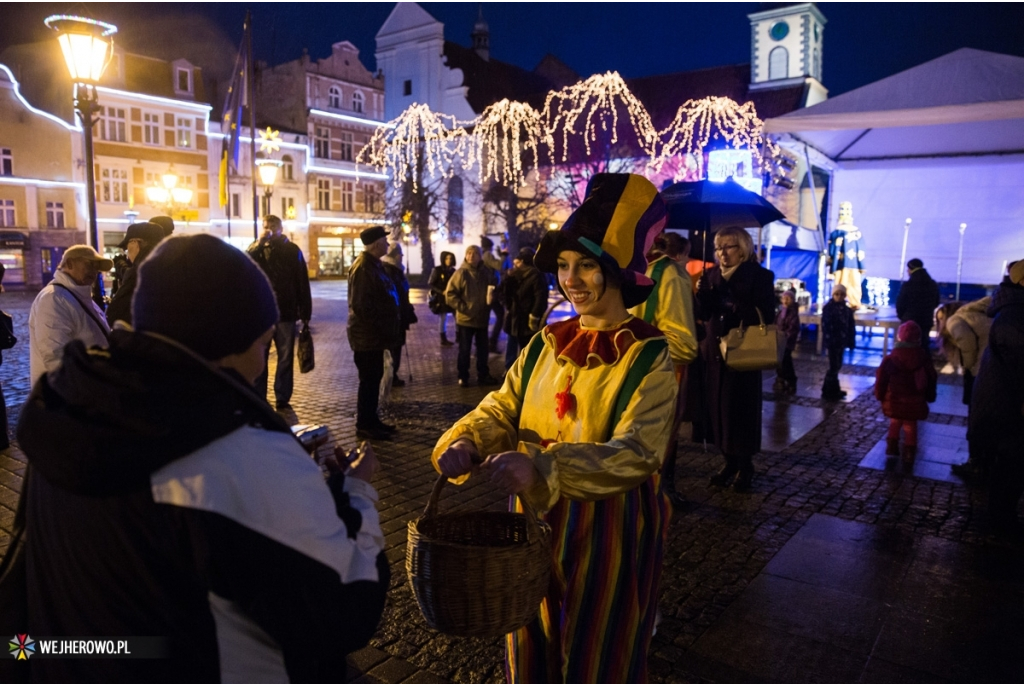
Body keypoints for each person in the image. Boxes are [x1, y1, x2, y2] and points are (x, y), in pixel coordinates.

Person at [13, 234, 388, 682]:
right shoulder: (237, 454)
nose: (265, 353)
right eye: (264, 337)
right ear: (235, 336)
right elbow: (344, 609)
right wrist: (358, 493)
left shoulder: (69, 414)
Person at [432, 173, 676, 683]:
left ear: (616, 270)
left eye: (587, 265)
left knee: (598, 653)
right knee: (528, 641)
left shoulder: (649, 353)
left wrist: (543, 465)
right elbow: (504, 405)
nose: (572, 279)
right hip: (530, 521)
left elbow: (637, 452)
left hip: (608, 523)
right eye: (564, 266)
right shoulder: (547, 340)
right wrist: (466, 439)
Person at [694, 226, 776, 492]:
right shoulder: (712, 275)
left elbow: (765, 314)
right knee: (717, 409)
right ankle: (728, 460)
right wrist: (702, 295)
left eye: (728, 247)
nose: (722, 253)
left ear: (742, 248)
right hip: (715, 353)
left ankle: (745, 465)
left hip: (743, 353)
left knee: (739, 411)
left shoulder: (759, 276)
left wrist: (731, 303)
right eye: (718, 248)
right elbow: (706, 314)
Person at [629, 230, 698, 507]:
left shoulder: (666, 273)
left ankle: (659, 489)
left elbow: (683, 344)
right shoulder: (624, 268)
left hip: (657, 374)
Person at [969, 259, 1024, 532]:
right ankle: (1001, 521)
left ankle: (1001, 518)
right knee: (1010, 466)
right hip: (1007, 406)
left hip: (1002, 403)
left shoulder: (1010, 311)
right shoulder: (1014, 316)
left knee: (1009, 465)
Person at [247, 214, 313, 410]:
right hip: (263, 313)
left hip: (286, 312)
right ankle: (259, 395)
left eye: (272, 226)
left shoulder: (292, 250)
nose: (268, 229)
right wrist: (259, 244)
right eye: (265, 225)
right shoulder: (257, 249)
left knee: (285, 357)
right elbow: (246, 262)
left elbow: (302, 281)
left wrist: (305, 311)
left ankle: (282, 396)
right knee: (261, 355)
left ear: (280, 229)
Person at [28, 245, 112, 385]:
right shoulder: (54, 298)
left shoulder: (79, 296)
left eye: (97, 266)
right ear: (69, 264)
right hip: (69, 397)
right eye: (89, 264)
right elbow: (56, 355)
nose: (95, 271)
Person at [348, 226, 401, 440]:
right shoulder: (363, 268)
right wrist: (381, 325)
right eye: (385, 241)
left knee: (373, 378)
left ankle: (371, 420)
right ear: (377, 244)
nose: (388, 245)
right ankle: (365, 424)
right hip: (367, 337)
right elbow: (361, 306)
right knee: (369, 380)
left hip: (373, 336)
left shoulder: (373, 265)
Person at [937, 298, 992, 479]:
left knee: (976, 414)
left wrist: (968, 367)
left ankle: (976, 462)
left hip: (980, 370)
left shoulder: (955, 320)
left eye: (939, 318)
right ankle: (984, 459)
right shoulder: (973, 315)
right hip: (990, 366)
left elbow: (967, 344)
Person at [874, 321, 937, 460]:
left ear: (899, 338)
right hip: (915, 400)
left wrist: (880, 394)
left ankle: (892, 446)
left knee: (895, 422)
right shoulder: (923, 358)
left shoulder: (891, 359)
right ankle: (909, 452)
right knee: (911, 425)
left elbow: (881, 378)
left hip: (894, 399)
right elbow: (932, 377)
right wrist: (930, 396)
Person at [446, 244, 500, 387]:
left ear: (480, 256)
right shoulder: (461, 273)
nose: (471, 256)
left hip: (482, 318)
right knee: (465, 349)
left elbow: (494, 286)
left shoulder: (486, 273)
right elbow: (450, 294)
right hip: (466, 320)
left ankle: (483, 374)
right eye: (468, 253)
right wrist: (464, 308)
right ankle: (463, 376)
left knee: (483, 350)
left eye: (474, 253)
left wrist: (493, 294)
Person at [496, 246, 549, 371]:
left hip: (527, 319)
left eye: (519, 262)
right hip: (514, 317)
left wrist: (534, 315)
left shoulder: (535, 275)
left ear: (525, 262)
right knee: (511, 345)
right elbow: (503, 292)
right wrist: (507, 280)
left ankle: (527, 371)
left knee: (528, 347)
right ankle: (509, 370)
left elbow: (540, 297)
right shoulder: (514, 275)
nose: (516, 264)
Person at [106, 221, 166, 326]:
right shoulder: (168, 268)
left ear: (135, 242)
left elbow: (115, 315)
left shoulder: (140, 271)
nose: (127, 253)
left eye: (126, 248)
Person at [381, 242, 418, 387]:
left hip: (400, 316)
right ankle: (390, 375)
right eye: (400, 255)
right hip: (394, 317)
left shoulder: (396, 270)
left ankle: (392, 374)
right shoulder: (390, 271)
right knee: (394, 347)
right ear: (396, 256)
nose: (402, 257)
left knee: (397, 346)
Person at [821, 284, 856, 400]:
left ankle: (832, 388)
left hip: (841, 340)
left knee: (837, 364)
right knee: (833, 365)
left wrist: (851, 340)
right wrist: (829, 338)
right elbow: (826, 325)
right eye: (837, 294)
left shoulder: (846, 310)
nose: (839, 297)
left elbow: (851, 326)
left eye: (842, 294)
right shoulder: (829, 308)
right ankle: (829, 389)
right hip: (832, 341)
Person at [896, 258, 940, 349]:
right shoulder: (932, 284)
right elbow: (936, 302)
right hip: (926, 321)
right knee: (923, 347)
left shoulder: (908, 285)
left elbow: (900, 303)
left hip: (909, 320)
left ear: (911, 269)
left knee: (907, 348)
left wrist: (903, 317)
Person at [481, 235, 505, 353]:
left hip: (487, 290)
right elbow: (499, 266)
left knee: (487, 317)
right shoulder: (487, 255)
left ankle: (485, 344)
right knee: (500, 316)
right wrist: (503, 255)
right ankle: (491, 343)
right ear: (489, 247)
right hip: (490, 291)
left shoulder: (483, 255)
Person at [774, 289, 801, 394]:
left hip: (787, 342)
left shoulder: (793, 313)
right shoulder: (781, 312)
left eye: (788, 299)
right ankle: (781, 378)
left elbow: (793, 327)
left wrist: (786, 337)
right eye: (784, 298)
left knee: (786, 361)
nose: (785, 301)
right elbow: (776, 323)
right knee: (780, 361)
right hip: (779, 341)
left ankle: (790, 379)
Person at [428, 251, 457, 346]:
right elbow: (431, 283)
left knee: (457, 316)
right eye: (446, 258)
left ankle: (459, 336)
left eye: (450, 258)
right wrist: (441, 292)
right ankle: (443, 339)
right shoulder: (437, 270)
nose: (449, 260)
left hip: (452, 297)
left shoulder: (453, 271)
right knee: (443, 318)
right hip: (441, 298)